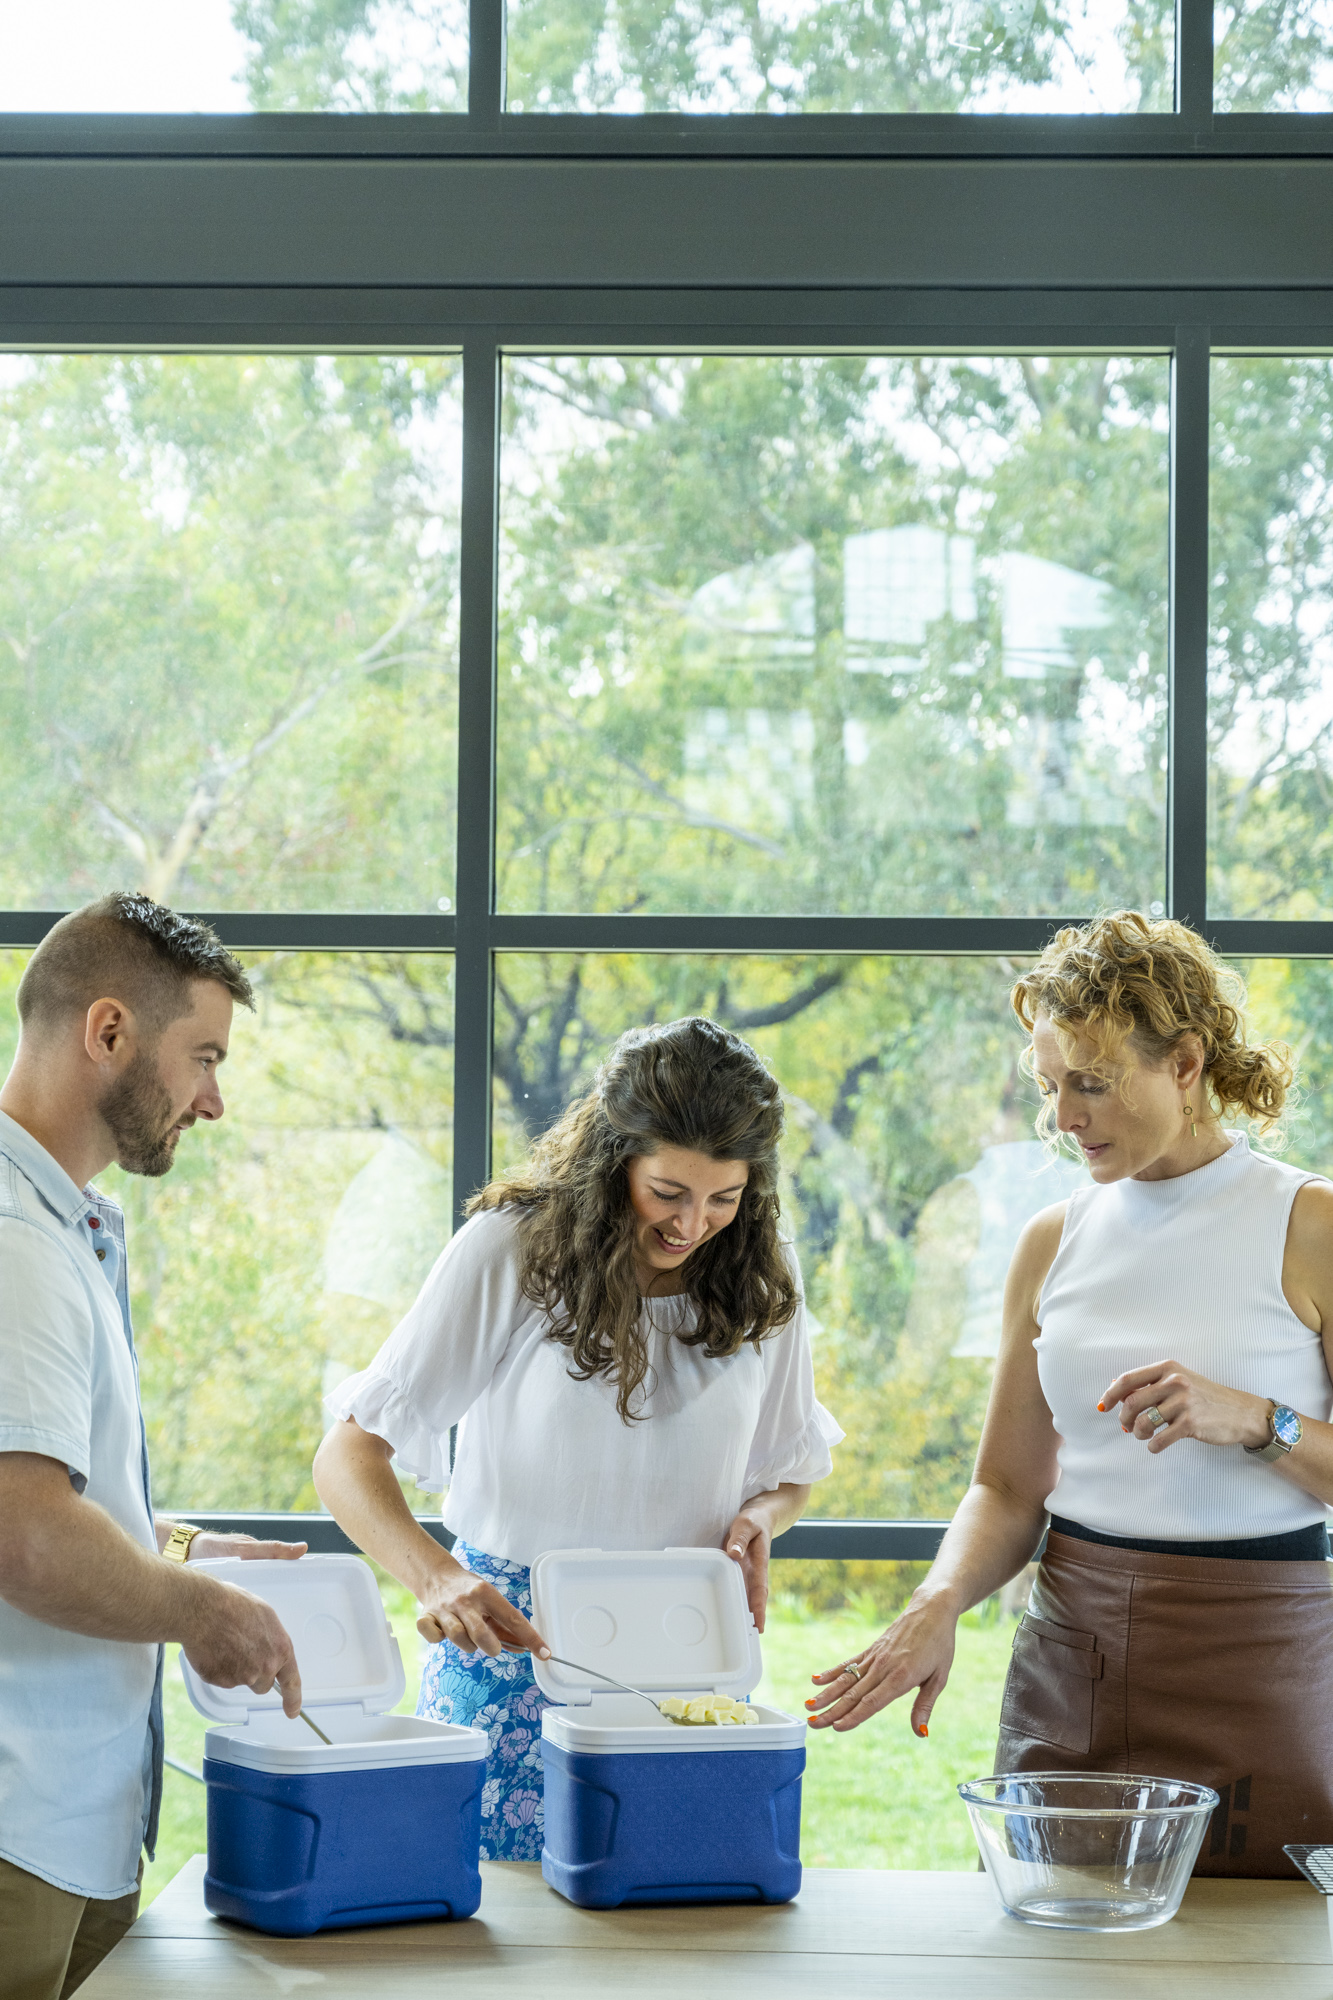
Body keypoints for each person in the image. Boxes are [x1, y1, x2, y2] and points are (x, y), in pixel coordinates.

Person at [807, 911, 1333, 1877]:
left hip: (1268, 1660)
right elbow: (1007, 1488)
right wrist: (938, 1601)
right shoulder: (1051, 1240)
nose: (1062, 1117)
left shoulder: (1308, 1222)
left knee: (1270, 1956)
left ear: (1183, 1062)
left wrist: (1258, 1420)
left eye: (1089, 1083)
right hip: (1077, 1652)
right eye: (1050, 1087)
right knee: (1050, 1951)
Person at [315, 1015, 842, 1859]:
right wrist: (436, 1577)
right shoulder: (513, 1248)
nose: (693, 1223)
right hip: (507, 1649)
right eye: (667, 1192)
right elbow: (347, 1455)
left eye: (724, 1196)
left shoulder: (758, 1270)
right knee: (497, 1948)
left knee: (675, 1918)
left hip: (682, 1653)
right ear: (613, 1157)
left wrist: (761, 1519)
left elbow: (789, 1469)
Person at [0, 894, 306, 2000]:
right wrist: (201, 1610)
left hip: (67, 1823)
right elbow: (25, 1537)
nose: (213, 1100)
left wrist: (168, 1545)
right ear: (111, 1032)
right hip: (17, 1826)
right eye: (205, 1057)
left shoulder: (61, 1226)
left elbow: (44, 1487)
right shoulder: (14, 1242)